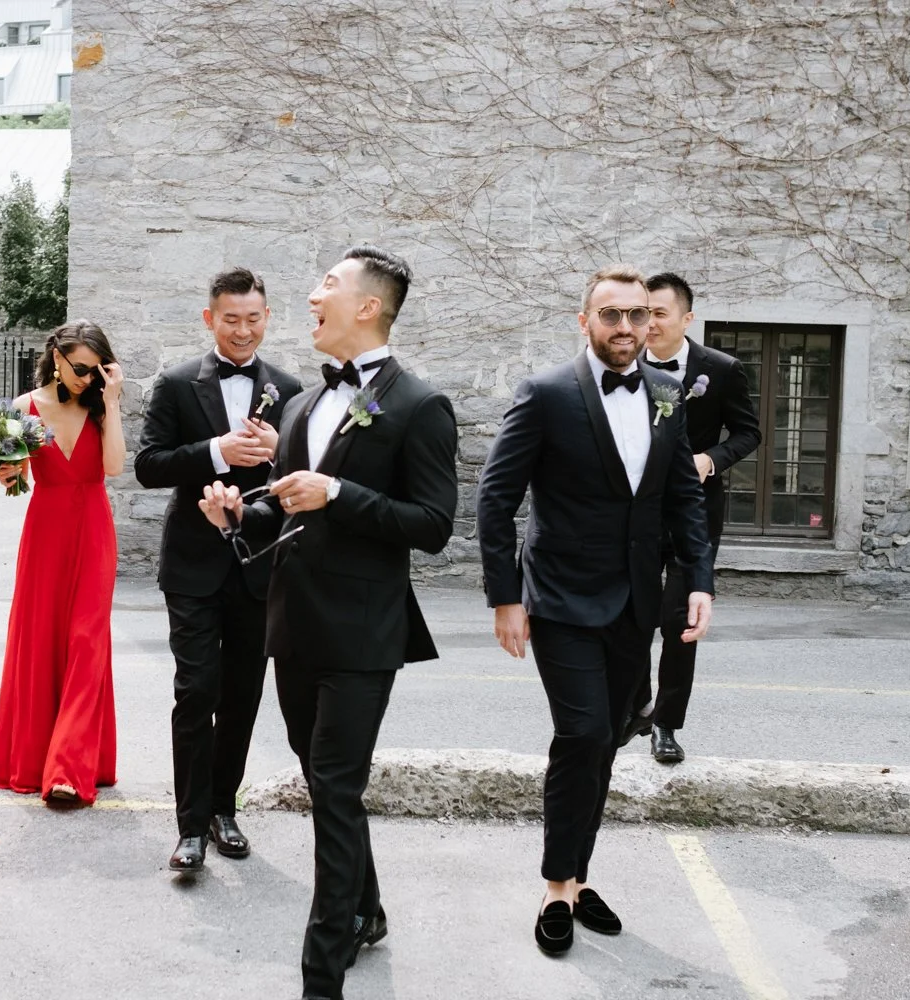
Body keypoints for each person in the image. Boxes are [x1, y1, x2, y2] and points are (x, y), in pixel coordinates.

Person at [199, 247, 458, 1000]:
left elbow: (435, 524)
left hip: (365, 632)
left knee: (336, 789)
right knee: (322, 782)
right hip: (294, 626)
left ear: (368, 307)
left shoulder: (420, 404)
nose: (312, 295)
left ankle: (321, 974)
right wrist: (236, 513)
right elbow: (282, 506)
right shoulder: (302, 407)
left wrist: (340, 493)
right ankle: (368, 908)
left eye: (328, 285)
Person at [475, 265, 715, 957]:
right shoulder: (547, 393)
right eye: (611, 315)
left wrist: (698, 579)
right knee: (581, 734)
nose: (626, 328)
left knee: (608, 736)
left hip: (636, 601)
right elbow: (496, 498)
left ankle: (580, 878)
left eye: (638, 316)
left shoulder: (668, 394)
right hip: (560, 597)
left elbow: (683, 500)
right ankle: (557, 885)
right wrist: (504, 597)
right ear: (585, 322)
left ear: (654, 323)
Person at [136, 267, 304, 872]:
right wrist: (217, 452)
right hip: (192, 566)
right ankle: (188, 828)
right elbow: (149, 465)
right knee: (195, 689)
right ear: (210, 319)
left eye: (253, 318)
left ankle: (223, 808)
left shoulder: (289, 387)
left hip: (259, 566)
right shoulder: (178, 384)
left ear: (267, 317)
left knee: (241, 695)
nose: (243, 330)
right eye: (230, 319)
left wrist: (278, 453)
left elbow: (299, 479)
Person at [0, 320, 125, 805]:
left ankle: (68, 769)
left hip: (93, 529)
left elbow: (112, 468)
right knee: (42, 638)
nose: (88, 378)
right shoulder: (24, 408)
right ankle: (37, 758)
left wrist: (110, 403)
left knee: (87, 641)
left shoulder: (100, 406)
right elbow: (12, 480)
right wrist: (6, 469)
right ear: (57, 356)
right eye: (82, 368)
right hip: (45, 531)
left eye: (98, 370)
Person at [631, 272, 760, 763]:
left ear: (686, 319)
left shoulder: (721, 369)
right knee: (635, 613)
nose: (649, 323)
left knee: (679, 620)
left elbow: (748, 433)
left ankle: (666, 722)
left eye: (659, 313)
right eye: (644, 313)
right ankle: (637, 705)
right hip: (637, 516)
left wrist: (711, 459)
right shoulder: (622, 365)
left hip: (696, 514)